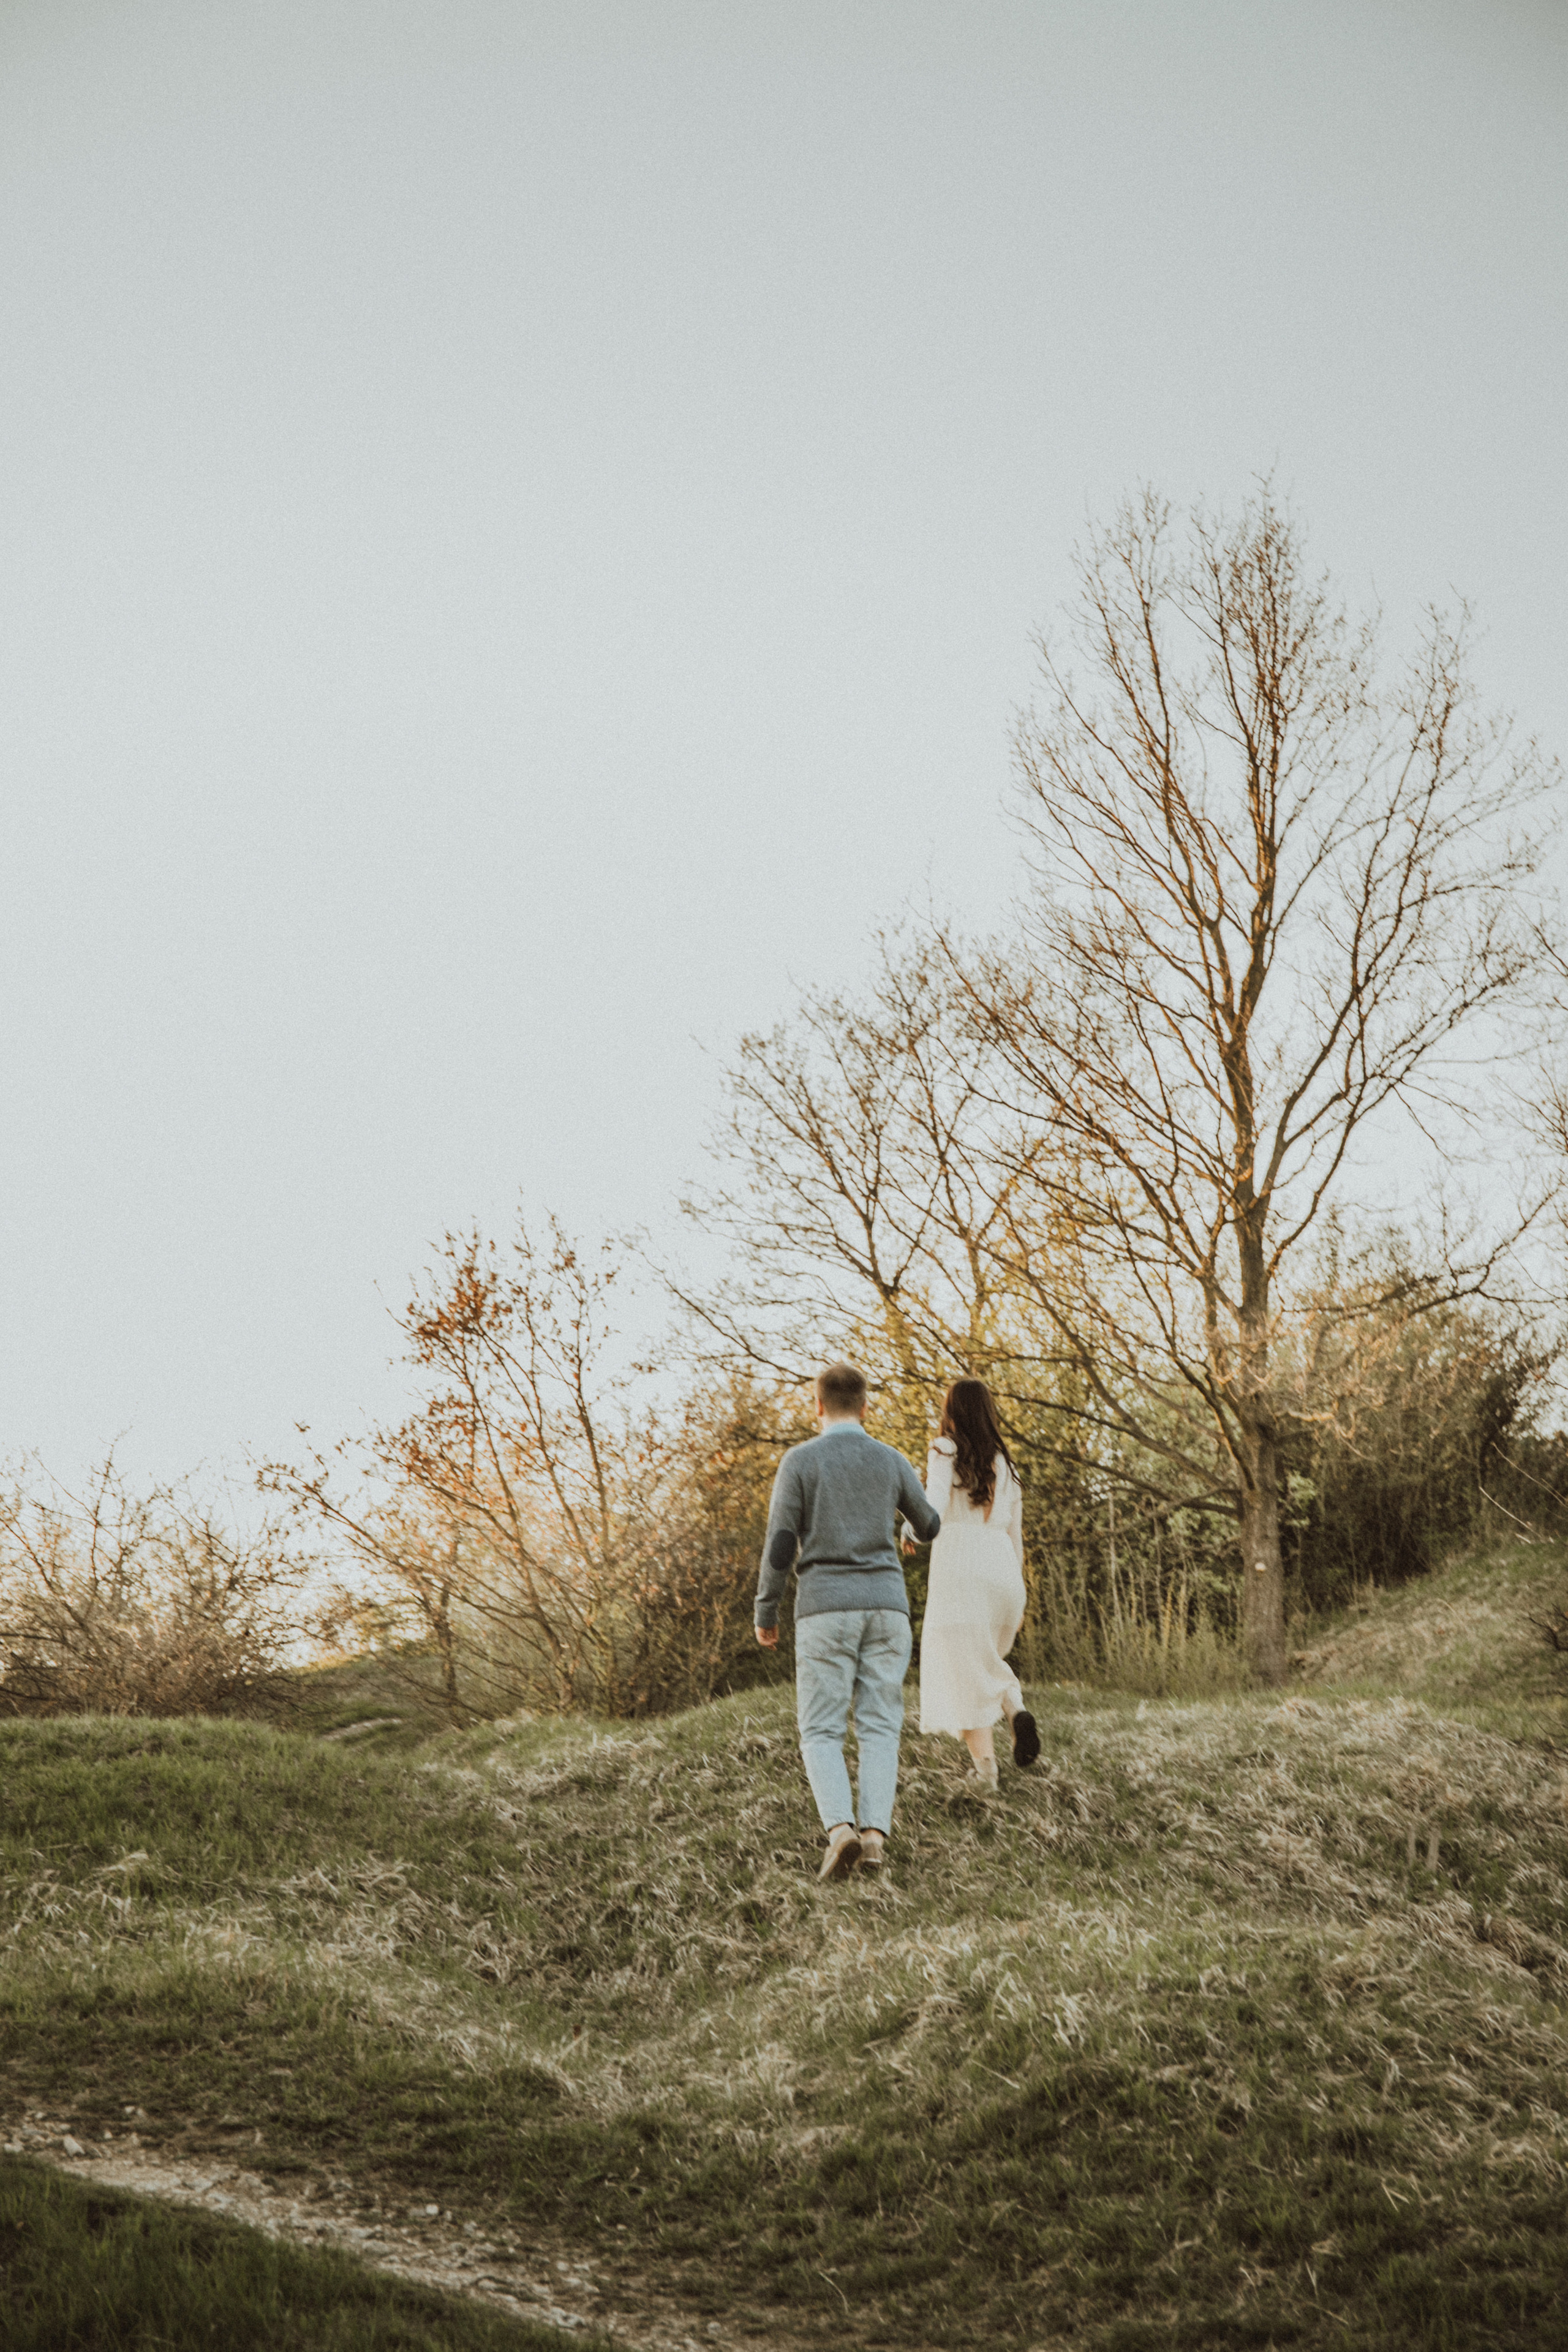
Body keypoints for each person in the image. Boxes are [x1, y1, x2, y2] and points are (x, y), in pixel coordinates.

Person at [755, 1362, 941, 1881]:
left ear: (817, 1406)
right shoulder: (890, 1459)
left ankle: (841, 1833)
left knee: (820, 1729)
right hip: (887, 1607)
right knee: (881, 1726)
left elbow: (781, 1542)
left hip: (825, 1608)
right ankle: (875, 1839)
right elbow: (929, 1523)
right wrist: (904, 1522)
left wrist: (766, 1610)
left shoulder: (800, 1461)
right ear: (866, 1407)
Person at [917, 1378, 1039, 1790]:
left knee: (959, 1667)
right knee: (981, 1659)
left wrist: (908, 1532)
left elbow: (931, 1516)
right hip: (1003, 1571)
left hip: (960, 1569)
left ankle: (986, 1772)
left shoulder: (943, 1450)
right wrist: (1018, 1598)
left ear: (951, 1410)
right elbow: (1016, 1538)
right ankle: (1015, 1708)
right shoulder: (1009, 1465)